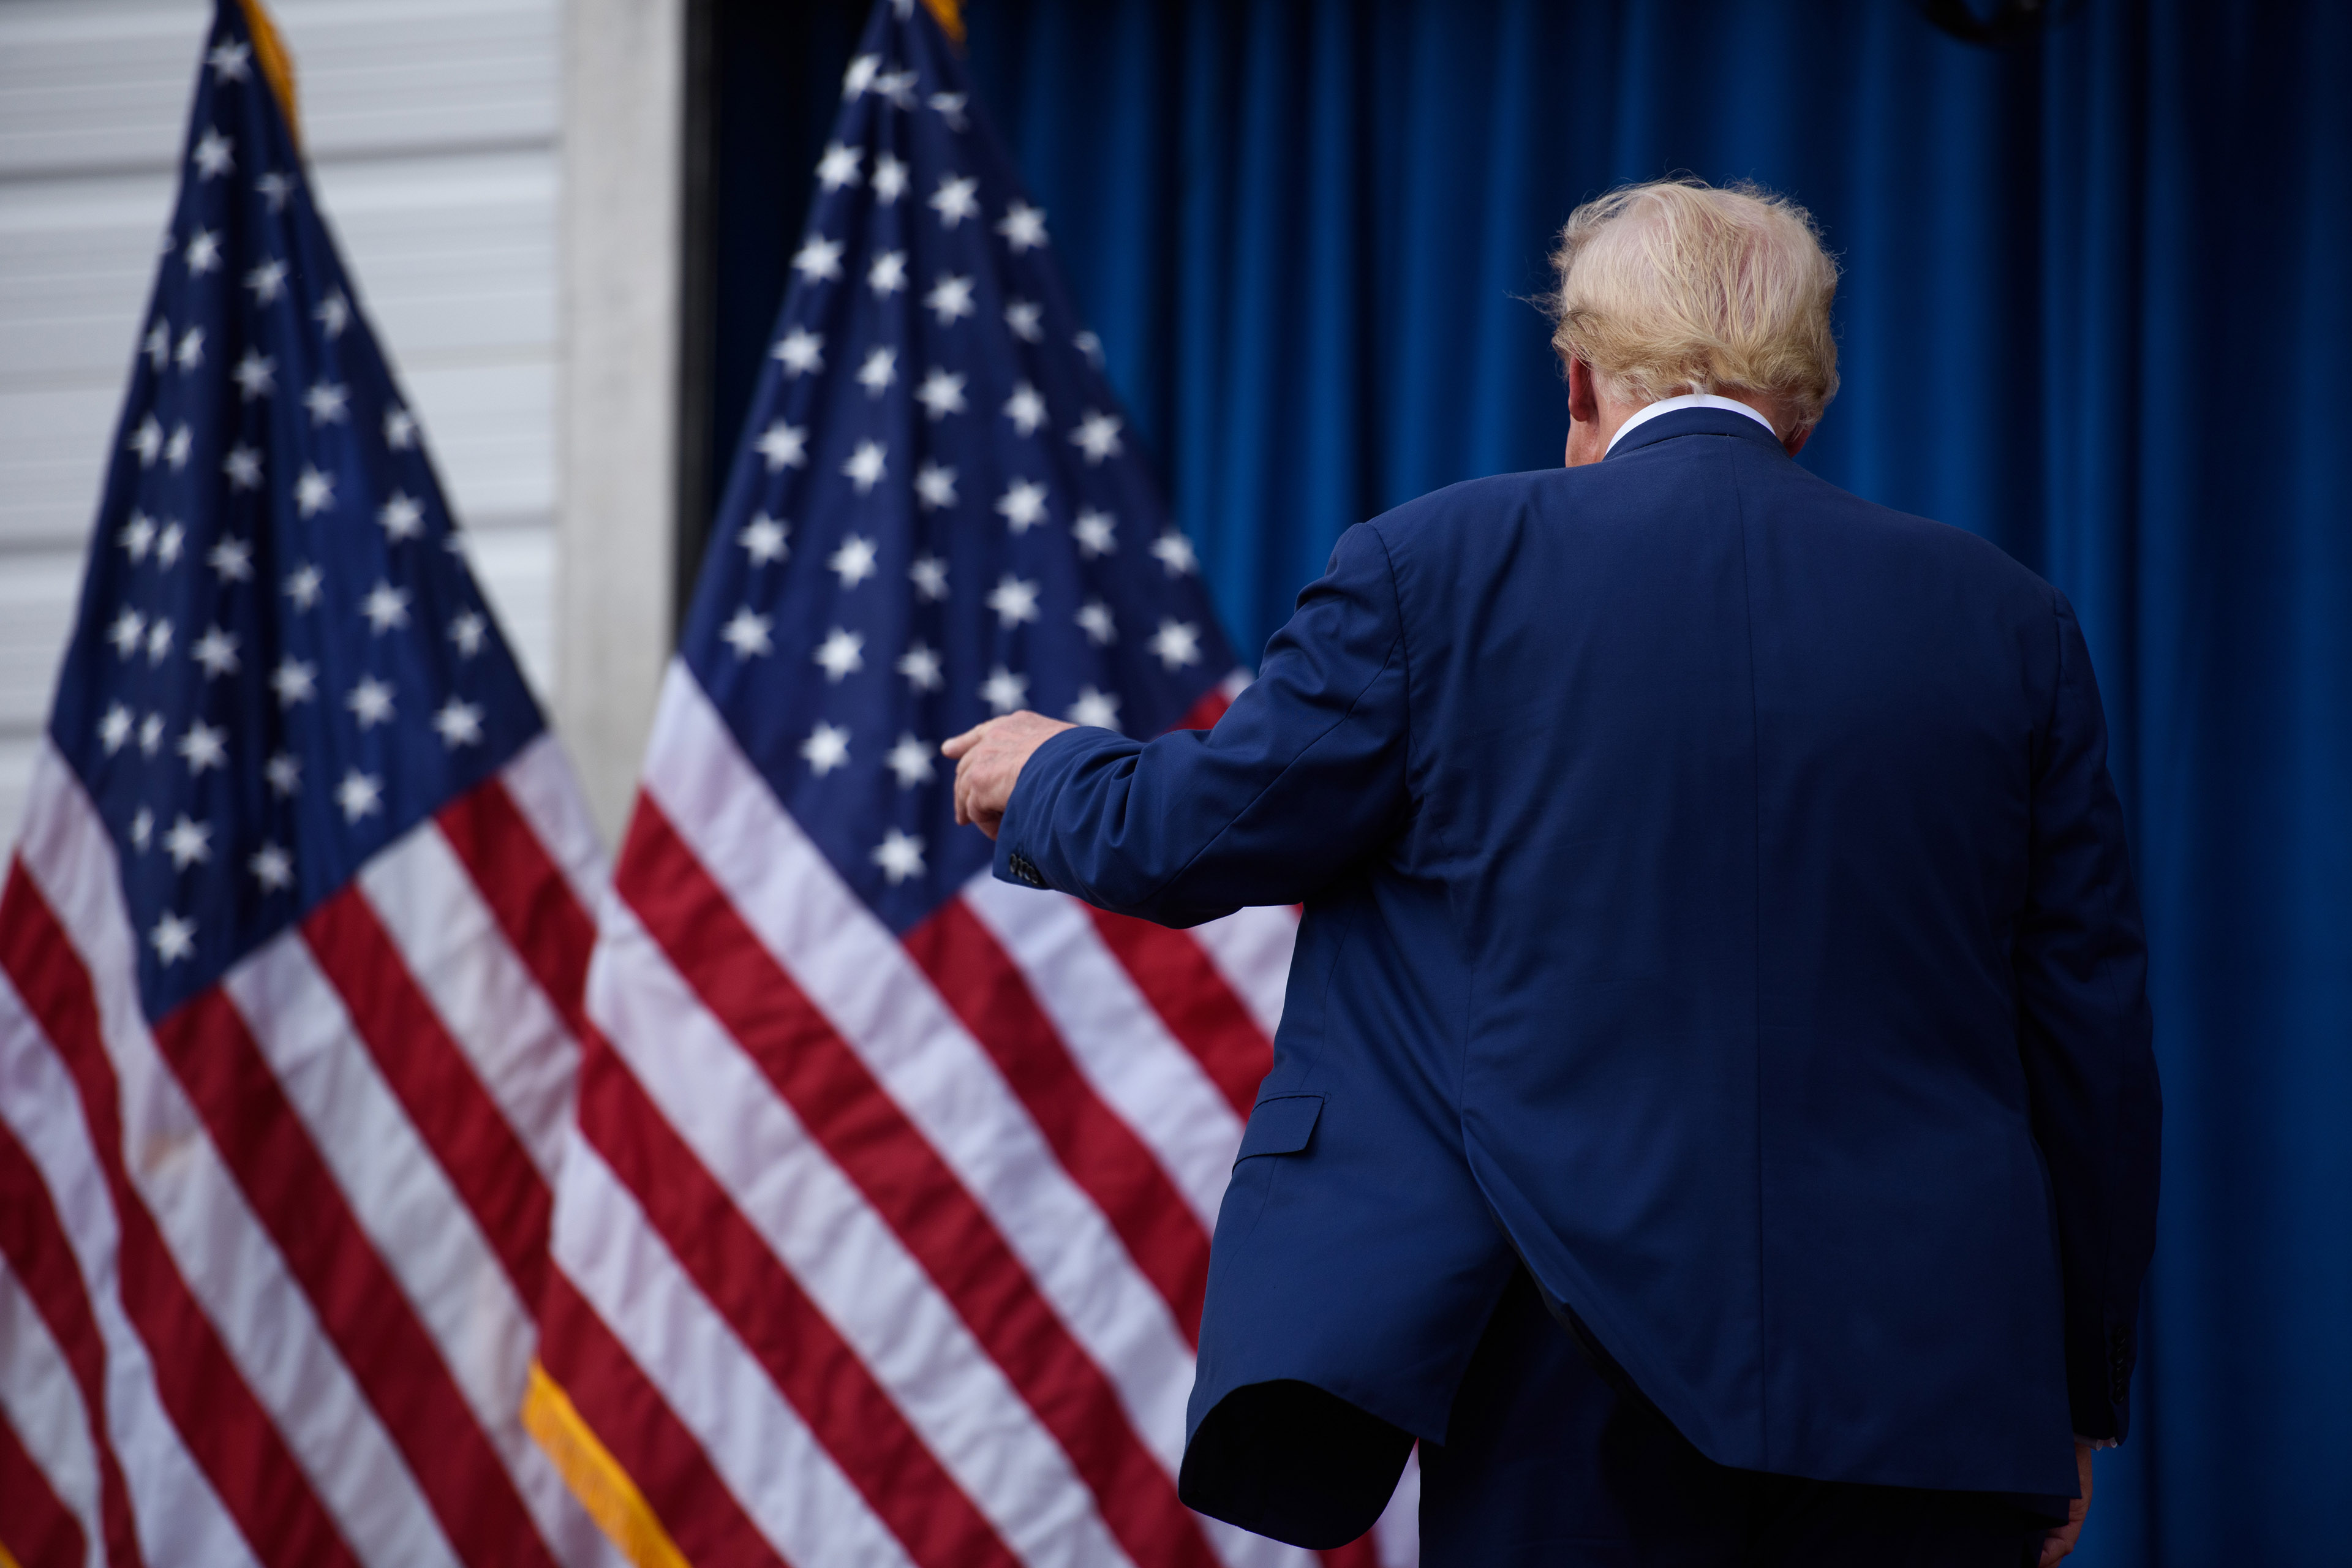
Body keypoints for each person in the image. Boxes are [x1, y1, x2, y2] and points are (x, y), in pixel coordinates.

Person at [944, 178, 2159, 1568]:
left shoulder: (1432, 567)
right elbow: (2088, 1039)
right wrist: (2069, 1394)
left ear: (1579, 379)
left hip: (1566, 1352)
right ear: (1805, 401)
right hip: (1931, 1383)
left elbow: (1207, 831)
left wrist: (1048, 769)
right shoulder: (2011, 621)